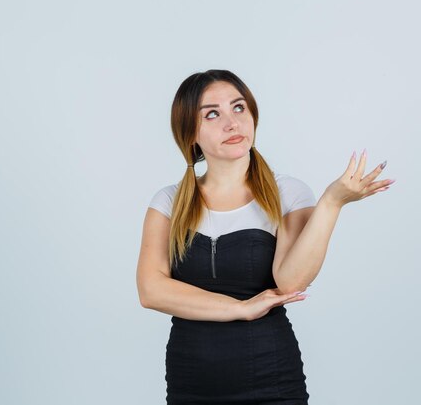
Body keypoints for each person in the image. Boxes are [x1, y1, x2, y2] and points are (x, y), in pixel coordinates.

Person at [136, 69, 394, 404]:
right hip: (191, 383)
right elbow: (151, 290)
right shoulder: (168, 202)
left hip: (270, 380)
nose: (232, 123)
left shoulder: (288, 192)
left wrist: (331, 203)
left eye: (239, 108)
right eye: (212, 114)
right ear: (190, 134)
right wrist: (241, 308)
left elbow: (290, 282)